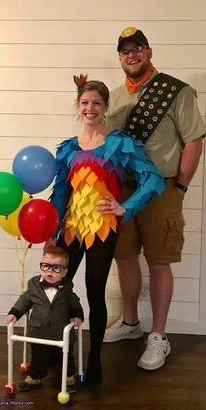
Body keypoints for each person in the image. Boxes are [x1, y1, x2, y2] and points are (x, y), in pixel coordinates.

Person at [43, 74, 166, 384]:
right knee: (59, 291)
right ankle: (65, 358)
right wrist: (52, 228)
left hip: (102, 227)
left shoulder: (119, 143)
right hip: (71, 228)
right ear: (77, 106)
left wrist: (125, 207)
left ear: (106, 107)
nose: (90, 108)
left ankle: (94, 360)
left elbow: (153, 179)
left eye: (96, 102)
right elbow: (61, 193)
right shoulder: (69, 148)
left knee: (95, 291)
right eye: (85, 102)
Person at [103, 26, 206, 371]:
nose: (131, 55)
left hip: (162, 187)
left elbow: (194, 139)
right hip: (123, 189)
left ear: (149, 52)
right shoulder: (113, 97)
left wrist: (181, 186)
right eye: (124, 51)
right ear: (120, 58)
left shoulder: (175, 91)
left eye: (137, 49)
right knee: (124, 256)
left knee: (160, 260)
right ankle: (131, 323)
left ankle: (159, 335)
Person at [7, 246, 84, 393]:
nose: (49, 271)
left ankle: (68, 377)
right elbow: (24, 300)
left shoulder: (67, 289)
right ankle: (35, 377)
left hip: (61, 331)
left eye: (56, 268)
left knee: (65, 357)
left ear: (64, 271)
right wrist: (15, 313)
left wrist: (77, 315)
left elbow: (74, 302)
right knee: (38, 357)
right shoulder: (34, 286)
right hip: (38, 331)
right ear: (41, 266)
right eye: (46, 266)